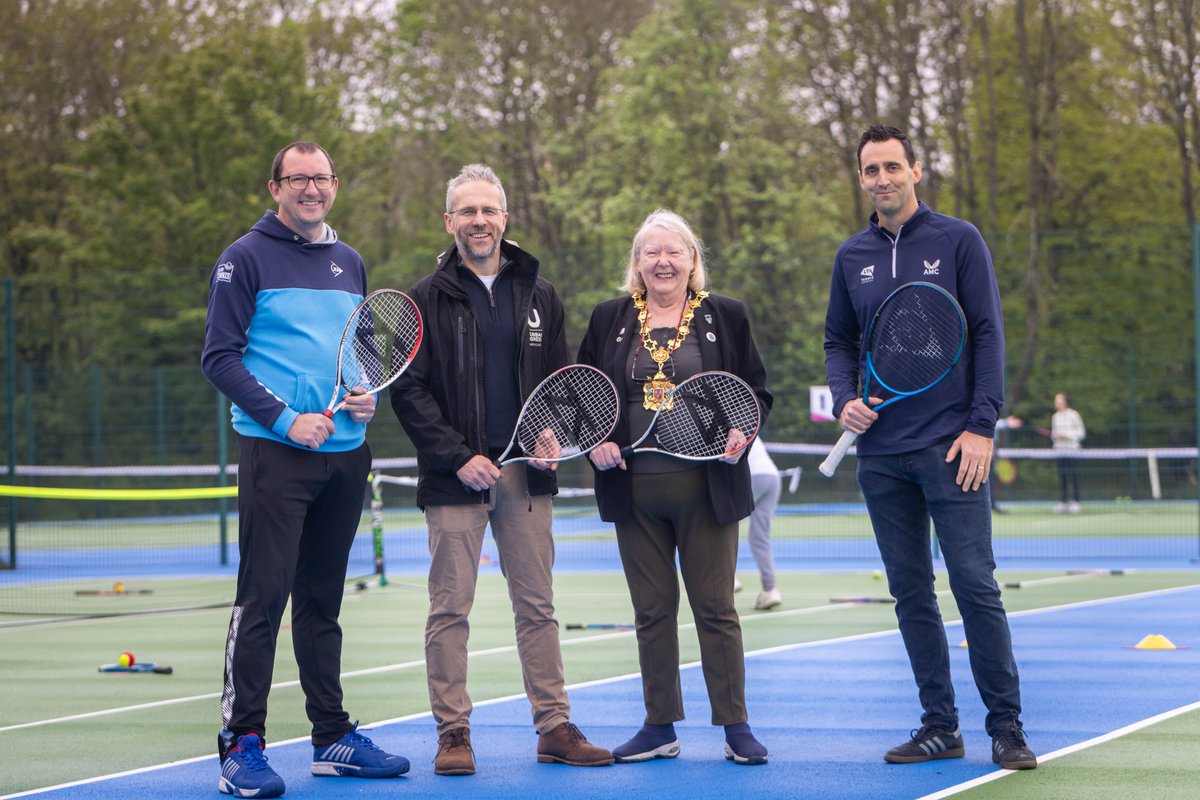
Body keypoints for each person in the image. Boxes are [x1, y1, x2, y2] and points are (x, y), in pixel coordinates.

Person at [823, 125, 1037, 771]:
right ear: (860, 179)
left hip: (952, 449)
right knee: (911, 594)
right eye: (870, 170)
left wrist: (982, 425)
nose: (882, 178)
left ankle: (1006, 728)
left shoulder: (959, 240)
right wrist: (843, 399)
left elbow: (988, 333)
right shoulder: (850, 255)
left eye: (892, 166)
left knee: (975, 586)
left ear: (915, 170)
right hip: (880, 455)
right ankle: (939, 726)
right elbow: (839, 341)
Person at [202, 141, 410, 798]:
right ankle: (242, 744)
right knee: (262, 599)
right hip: (277, 456)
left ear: (335, 186)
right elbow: (219, 357)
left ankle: (331, 738)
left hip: (346, 458)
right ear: (275, 188)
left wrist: (365, 393)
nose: (311, 189)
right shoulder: (244, 259)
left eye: (321, 179)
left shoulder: (349, 262)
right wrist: (287, 419)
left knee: (321, 603)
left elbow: (364, 352)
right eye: (298, 179)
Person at [389, 164, 611, 775]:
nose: (479, 221)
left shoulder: (540, 293)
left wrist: (551, 433)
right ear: (450, 221)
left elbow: (563, 386)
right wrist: (459, 457)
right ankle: (453, 733)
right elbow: (410, 392)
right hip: (455, 477)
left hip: (525, 478)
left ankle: (554, 726)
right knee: (449, 610)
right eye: (467, 211)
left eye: (489, 210)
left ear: (505, 219)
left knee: (537, 606)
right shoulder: (423, 298)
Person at [578, 209, 773, 766]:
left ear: (693, 260)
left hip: (707, 489)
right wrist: (595, 439)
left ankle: (735, 726)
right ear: (636, 264)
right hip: (633, 490)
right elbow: (584, 395)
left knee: (716, 609)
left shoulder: (726, 316)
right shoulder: (610, 317)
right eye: (650, 253)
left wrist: (744, 427)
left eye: (675, 251)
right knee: (652, 611)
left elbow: (756, 392)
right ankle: (659, 725)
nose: (663, 261)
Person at [746, 437, 783, 609]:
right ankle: (770, 589)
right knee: (759, 537)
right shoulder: (744, 419)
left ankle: (727, 582)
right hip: (772, 477)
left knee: (717, 528)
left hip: (753, 476)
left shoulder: (722, 422)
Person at [1050, 393, 1085, 513]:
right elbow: (1054, 435)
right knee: (1062, 477)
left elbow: (1081, 433)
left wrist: (1067, 435)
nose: (1057, 403)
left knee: (1074, 476)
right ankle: (1063, 502)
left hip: (1072, 450)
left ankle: (1076, 502)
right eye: (1056, 400)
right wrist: (1056, 436)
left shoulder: (1074, 415)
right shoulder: (1055, 417)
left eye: (1059, 400)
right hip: (1059, 450)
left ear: (1065, 401)